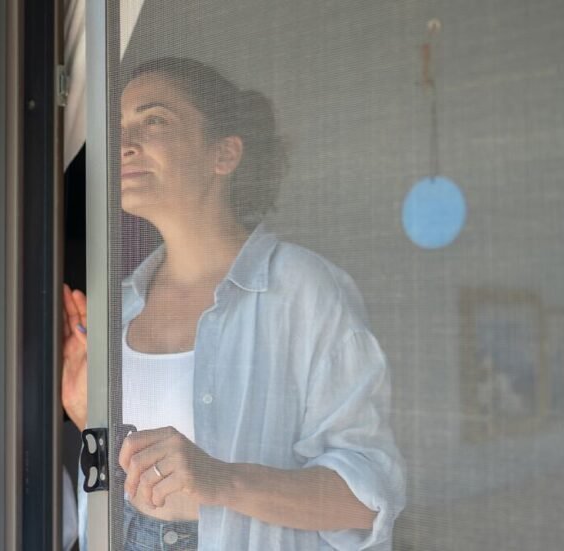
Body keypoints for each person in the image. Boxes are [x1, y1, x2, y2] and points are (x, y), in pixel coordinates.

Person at [62, 57, 404, 550]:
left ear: (223, 154)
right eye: (116, 129)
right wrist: (86, 416)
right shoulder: (117, 310)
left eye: (153, 120)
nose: (124, 144)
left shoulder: (302, 289)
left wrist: (223, 481)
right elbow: (116, 500)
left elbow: (370, 495)